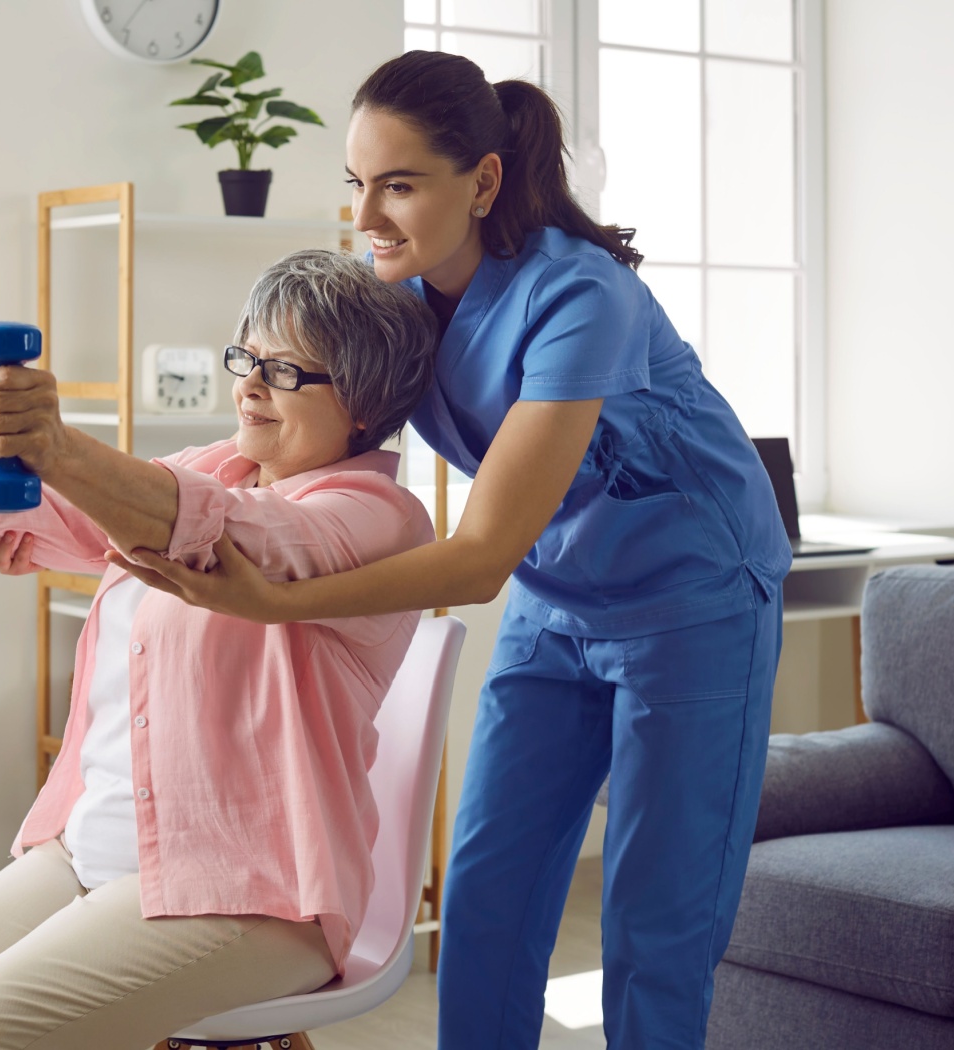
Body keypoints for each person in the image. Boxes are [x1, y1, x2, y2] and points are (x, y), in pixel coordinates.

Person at [97, 51, 793, 1050]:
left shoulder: (580, 296)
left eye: (400, 184)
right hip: (560, 596)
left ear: (483, 182)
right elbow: (316, 438)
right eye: (357, 183)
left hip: (694, 601)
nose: (368, 213)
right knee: (486, 894)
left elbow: (475, 558)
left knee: (657, 920)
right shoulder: (406, 303)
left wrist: (273, 603)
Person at [0, 250, 439, 1050]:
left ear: (363, 398)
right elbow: (18, 511)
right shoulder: (214, 469)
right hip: (98, 849)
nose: (246, 385)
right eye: (245, 356)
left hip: (255, 892)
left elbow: (233, 538)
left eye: (284, 371)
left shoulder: (378, 516)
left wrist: (59, 447)